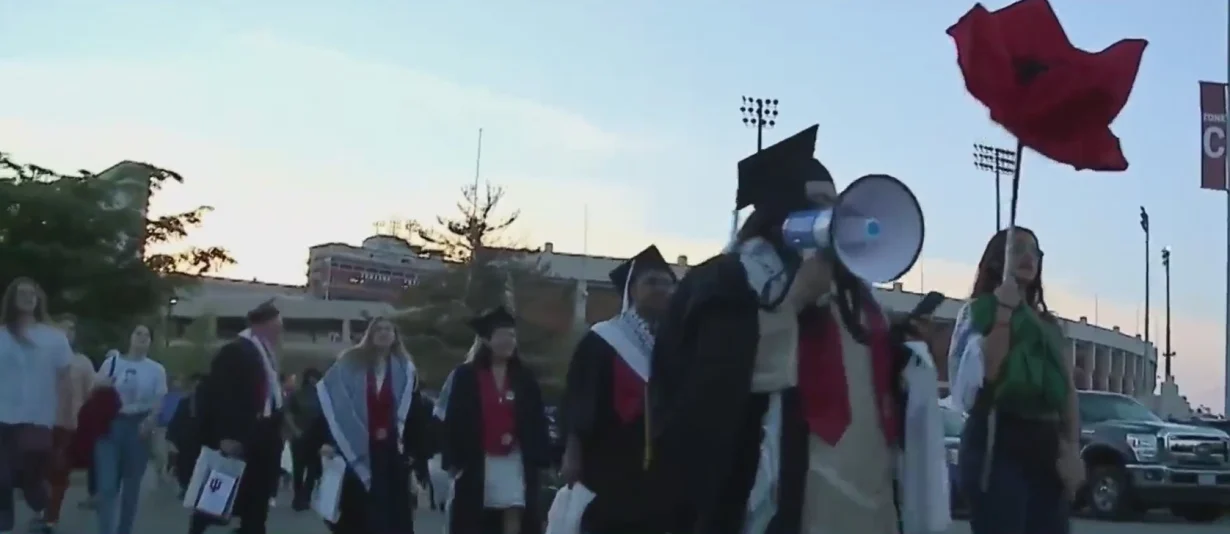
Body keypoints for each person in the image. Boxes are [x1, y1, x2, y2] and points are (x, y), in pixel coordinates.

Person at [648, 125, 949, 534]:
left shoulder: (854, 297)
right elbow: (714, 394)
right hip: (786, 500)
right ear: (782, 214)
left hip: (867, 498)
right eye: (819, 205)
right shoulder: (727, 281)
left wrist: (900, 352)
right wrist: (793, 302)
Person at [950, 228, 1082, 534]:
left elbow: (1067, 390)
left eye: (1034, 251)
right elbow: (989, 373)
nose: (1028, 257)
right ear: (998, 260)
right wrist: (1004, 311)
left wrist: (1072, 448)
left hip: (1046, 445)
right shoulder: (977, 312)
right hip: (997, 439)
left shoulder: (1049, 326)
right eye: (1017, 248)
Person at [559, 245, 676, 534]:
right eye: (651, 282)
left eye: (667, 283)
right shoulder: (604, 339)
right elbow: (579, 399)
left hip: (661, 467)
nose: (661, 290)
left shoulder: (677, 343)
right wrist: (572, 451)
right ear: (632, 290)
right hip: (609, 460)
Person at [306, 317, 433, 534]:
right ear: (370, 334)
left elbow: (414, 413)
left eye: (388, 329)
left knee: (392, 514)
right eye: (378, 329)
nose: (383, 333)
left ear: (395, 336)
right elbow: (332, 404)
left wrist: (414, 451)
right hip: (355, 445)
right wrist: (325, 440)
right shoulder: (349, 363)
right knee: (358, 513)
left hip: (391, 451)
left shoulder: (405, 369)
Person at [442, 306, 552, 534]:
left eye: (512, 335)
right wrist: (453, 457)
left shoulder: (524, 377)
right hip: (478, 456)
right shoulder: (466, 376)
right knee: (475, 512)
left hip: (514, 455)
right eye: (502, 335)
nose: (509, 341)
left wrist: (541, 454)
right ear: (486, 340)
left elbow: (535, 417)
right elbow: (455, 418)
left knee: (515, 506)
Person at [188, 301, 285, 534]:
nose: (279, 332)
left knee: (258, 498)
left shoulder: (265, 353)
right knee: (217, 492)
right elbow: (222, 395)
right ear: (262, 325)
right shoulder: (236, 351)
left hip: (264, 434)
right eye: (276, 326)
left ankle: (252, 528)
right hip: (240, 433)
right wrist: (226, 434)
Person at [0, 277, 74, 534]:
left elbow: (65, 380)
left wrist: (66, 415)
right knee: (2, 477)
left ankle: (40, 502)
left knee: (30, 470)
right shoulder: (2, 336)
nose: (27, 297)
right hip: (3, 416)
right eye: (21, 293)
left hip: (39, 418)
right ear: (12, 299)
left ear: (38, 299)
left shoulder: (54, 338)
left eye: (32, 293)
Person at [93, 324, 169, 534]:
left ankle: (124, 529)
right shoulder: (112, 363)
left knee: (131, 486)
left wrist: (150, 420)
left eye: (147, 335)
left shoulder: (156, 370)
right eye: (138, 333)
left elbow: (159, 401)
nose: (142, 338)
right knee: (107, 485)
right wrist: (104, 384)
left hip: (139, 426)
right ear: (130, 337)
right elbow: (95, 388)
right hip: (110, 424)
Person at [45, 313, 97, 530]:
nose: (67, 333)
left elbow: (91, 395)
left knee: (60, 470)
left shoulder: (82, 362)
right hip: (42, 423)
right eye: (63, 328)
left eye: (71, 329)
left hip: (69, 426)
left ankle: (51, 517)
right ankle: (42, 508)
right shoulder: (43, 359)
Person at [286, 367, 323, 511]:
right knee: (299, 468)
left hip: (314, 437)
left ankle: (305, 496)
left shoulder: (322, 395)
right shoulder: (297, 395)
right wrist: (294, 429)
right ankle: (298, 497)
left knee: (312, 469)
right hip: (300, 435)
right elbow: (288, 413)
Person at [167, 373, 206, 495]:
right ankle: (185, 487)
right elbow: (176, 421)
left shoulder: (210, 404)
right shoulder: (185, 402)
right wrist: (172, 439)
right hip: (185, 442)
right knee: (184, 466)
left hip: (202, 442)